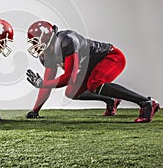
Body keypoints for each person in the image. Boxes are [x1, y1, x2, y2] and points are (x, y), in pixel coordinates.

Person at [25, 21, 160, 123]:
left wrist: (43, 83)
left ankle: (146, 103)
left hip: (111, 56)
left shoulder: (66, 40)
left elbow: (69, 78)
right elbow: (47, 84)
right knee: (71, 92)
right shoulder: (46, 55)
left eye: (35, 41)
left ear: (45, 37)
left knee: (94, 83)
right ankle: (111, 100)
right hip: (90, 65)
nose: (34, 46)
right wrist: (35, 110)